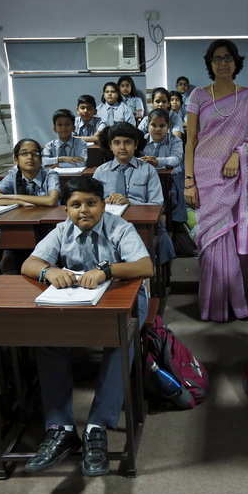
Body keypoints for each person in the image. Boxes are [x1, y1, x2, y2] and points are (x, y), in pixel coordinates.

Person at [21, 176, 153, 477]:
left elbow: (145, 267)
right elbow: (29, 264)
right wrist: (48, 270)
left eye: (91, 203)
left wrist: (107, 270)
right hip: (77, 301)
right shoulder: (61, 231)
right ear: (65, 209)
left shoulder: (120, 228)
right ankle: (61, 428)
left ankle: (97, 427)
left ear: (103, 205)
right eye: (75, 205)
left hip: (125, 299)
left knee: (121, 341)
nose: (84, 211)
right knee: (47, 341)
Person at [183, 39, 248, 322]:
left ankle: (236, 305)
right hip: (204, 175)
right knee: (211, 244)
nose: (223, 63)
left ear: (236, 63)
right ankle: (212, 307)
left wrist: (240, 153)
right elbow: (190, 142)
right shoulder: (198, 96)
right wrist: (189, 182)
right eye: (217, 58)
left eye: (228, 58)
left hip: (238, 177)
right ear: (209, 64)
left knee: (234, 244)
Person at [94, 123, 175, 265]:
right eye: (117, 143)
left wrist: (130, 203)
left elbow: (158, 205)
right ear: (110, 146)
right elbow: (92, 203)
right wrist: (103, 202)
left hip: (142, 227)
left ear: (136, 145)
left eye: (128, 142)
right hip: (109, 227)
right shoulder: (100, 172)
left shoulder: (148, 170)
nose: (122, 147)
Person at [0, 138, 60, 207]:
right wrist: (18, 202)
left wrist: (14, 196)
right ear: (16, 159)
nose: (30, 157)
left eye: (35, 154)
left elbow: (51, 201)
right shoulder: (13, 175)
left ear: (40, 159)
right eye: (24, 154)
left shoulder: (50, 174)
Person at [141, 108, 185, 222]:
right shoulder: (141, 140)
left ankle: (172, 226)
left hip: (170, 180)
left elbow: (176, 159)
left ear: (168, 126)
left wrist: (158, 161)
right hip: (147, 179)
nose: (157, 129)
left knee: (172, 196)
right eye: (153, 125)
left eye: (162, 125)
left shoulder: (175, 140)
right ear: (148, 125)